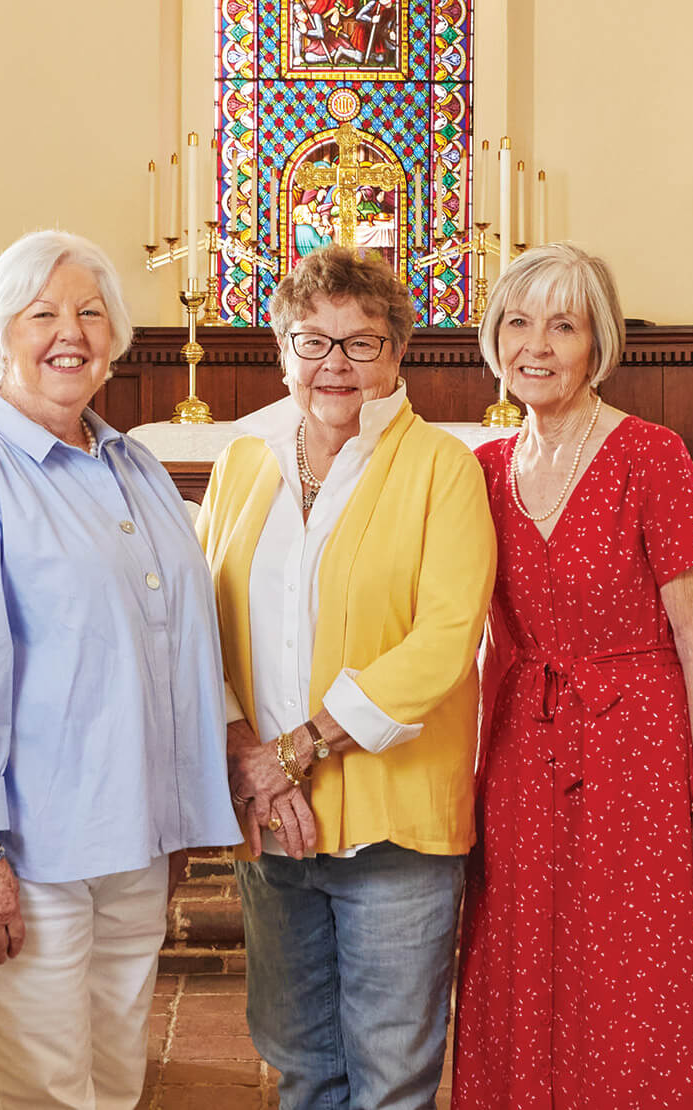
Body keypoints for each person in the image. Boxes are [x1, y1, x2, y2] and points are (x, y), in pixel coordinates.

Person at [0, 230, 241, 1109]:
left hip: (127, 839)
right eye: (42, 314)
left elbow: (177, 647)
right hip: (21, 854)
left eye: (90, 313)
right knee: (40, 1097)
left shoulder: (134, 466)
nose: (69, 332)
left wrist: (178, 813)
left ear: (115, 337)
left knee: (113, 1086)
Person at [196, 244, 497, 1109]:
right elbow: (200, 628)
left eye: (362, 343)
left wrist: (291, 752)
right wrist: (247, 755)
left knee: (391, 1076)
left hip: (395, 829)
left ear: (397, 355)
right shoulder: (242, 464)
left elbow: (444, 640)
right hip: (271, 820)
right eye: (312, 341)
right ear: (282, 352)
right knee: (300, 1064)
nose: (335, 363)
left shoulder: (442, 468)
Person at [451, 242, 693, 1108]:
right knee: (516, 970)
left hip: (637, 760)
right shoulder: (484, 471)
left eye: (563, 326)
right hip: (518, 757)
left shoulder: (652, 455)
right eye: (518, 322)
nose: (535, 345)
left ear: (597, 343)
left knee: (630, 982)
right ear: (495, 338)